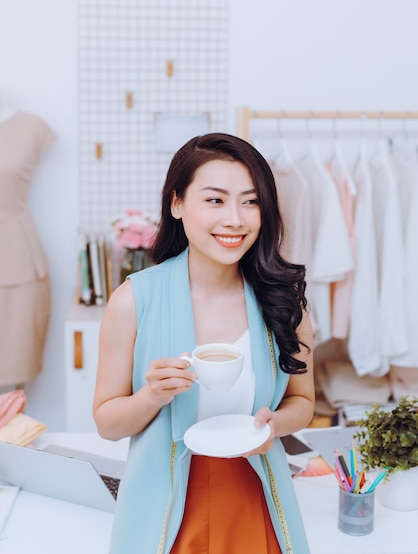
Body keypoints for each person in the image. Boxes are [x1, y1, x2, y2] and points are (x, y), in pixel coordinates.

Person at [93, 133, 314, 554]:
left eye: (250, 202)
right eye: (215, 200)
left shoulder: (284, 301)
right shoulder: (134, 300)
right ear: (177, 204)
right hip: (165, 501)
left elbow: (303, 402)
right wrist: (153, 395)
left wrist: (275, 426)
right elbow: (107, 423)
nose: (235, 219)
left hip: (256, 493)